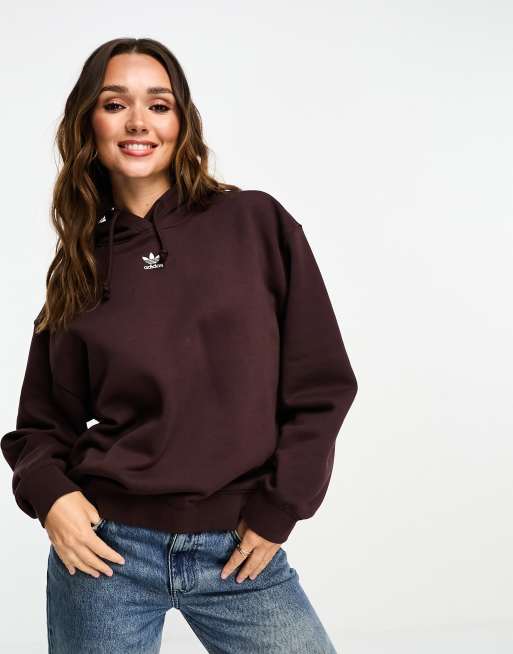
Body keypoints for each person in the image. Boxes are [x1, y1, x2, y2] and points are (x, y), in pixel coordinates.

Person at [1, 37, 358, 653]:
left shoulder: (255, 223)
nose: (139, 122)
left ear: (181, 122)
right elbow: (41, 425)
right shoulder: (82, 265)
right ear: (89, 123)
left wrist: (281, 508)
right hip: (106, 552)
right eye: (116, 104)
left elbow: (322, 383)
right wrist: (52, 496)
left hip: (238, 550)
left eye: (159, 105)